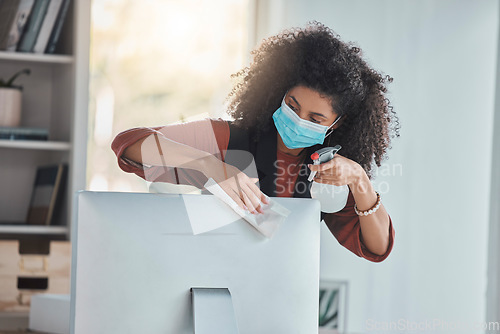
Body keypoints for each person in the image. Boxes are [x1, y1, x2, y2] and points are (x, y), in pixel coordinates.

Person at [111, 21, 400, 262]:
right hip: (208, 278)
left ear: (337, 124)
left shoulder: (328, 172)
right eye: (292, 104)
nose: (299, 120)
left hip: (279, 294)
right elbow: (130, 145)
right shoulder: (229, 138)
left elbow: (377, 247)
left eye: (315, 118)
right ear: (278, 92)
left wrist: (360, 180)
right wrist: (210, 165)